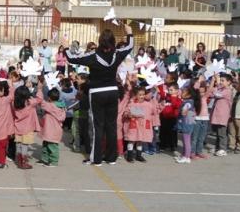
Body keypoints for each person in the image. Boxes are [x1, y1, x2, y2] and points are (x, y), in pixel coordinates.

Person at [65, 23, 134, 166]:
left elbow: (72, 58)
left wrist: (65, 47)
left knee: (98, 126)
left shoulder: (94, 55)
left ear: (100, 41)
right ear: (113, 41)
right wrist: (130, 33)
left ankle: (96, 159)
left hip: (97, 93)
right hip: (113, 92)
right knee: (111, 125)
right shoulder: (117, 54)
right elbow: (129, 46)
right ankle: (111, 157)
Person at [13, 83, 42, 169]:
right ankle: (23, 162)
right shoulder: (30, 102)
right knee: (25, 145)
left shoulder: (14, 104)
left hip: (18, 127)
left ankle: (18, 159)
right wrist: (39, 89)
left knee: (18, 144)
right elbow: (40, 99)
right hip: (28, 127)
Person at [123, 86, 154, 163]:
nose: (142, 96)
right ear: (135, 95)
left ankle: (139, 155)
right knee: (132, 141)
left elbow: (154, 112)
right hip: (134, 126)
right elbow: (125, 112)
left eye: (143, 94)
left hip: (143, 126)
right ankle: (129, 156)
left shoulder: (148, 104)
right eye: (140, 95)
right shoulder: (131, 104)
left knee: (140, 141)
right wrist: (128, 115)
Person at [39, 86, 66, 167]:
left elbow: (41, 103)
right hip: (54, 130)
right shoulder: (61, 106)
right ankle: (45, 159)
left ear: (49, 98)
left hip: (51, 130)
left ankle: (54, 161)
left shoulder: (52, 106)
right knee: (47, 144)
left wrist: (39, 90)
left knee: (52, 146)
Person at [210, 74, 233, 156]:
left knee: (222, 134)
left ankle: (223, 149)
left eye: (223, 81)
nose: (221, 82)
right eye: (221, 80)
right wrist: (213, 82)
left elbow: (217, 94)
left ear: (229, 82)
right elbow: (211, 94)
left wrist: (217, 82)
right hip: (217, 115)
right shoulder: (220, 89)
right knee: (217, 133)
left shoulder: (228, 90)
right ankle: (217, 148)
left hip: (223, 115)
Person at [175, 86, 198, 164]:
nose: (181, 93)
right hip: (189, 122)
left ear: (188, 95)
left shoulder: (188, 103)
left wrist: (183, 111)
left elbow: (184, 112)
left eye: (183, 92)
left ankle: (186, 157)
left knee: (186, 141)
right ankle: (184, 155)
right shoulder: (190, 101)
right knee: (186, 140)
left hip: (186, 123)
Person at [159, 83, 181, 153]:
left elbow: (175, 105)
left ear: (177, 91)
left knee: (172, 132)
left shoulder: (178, 98)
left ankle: (173, 146)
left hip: (172, 118)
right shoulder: (167, 97)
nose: (169, 91)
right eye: (169, 90)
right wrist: (159, 85)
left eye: (171, 90)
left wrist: (174, 97)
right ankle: (163, 145)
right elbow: (162, 95)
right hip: (164, 117)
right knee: (163, 131)